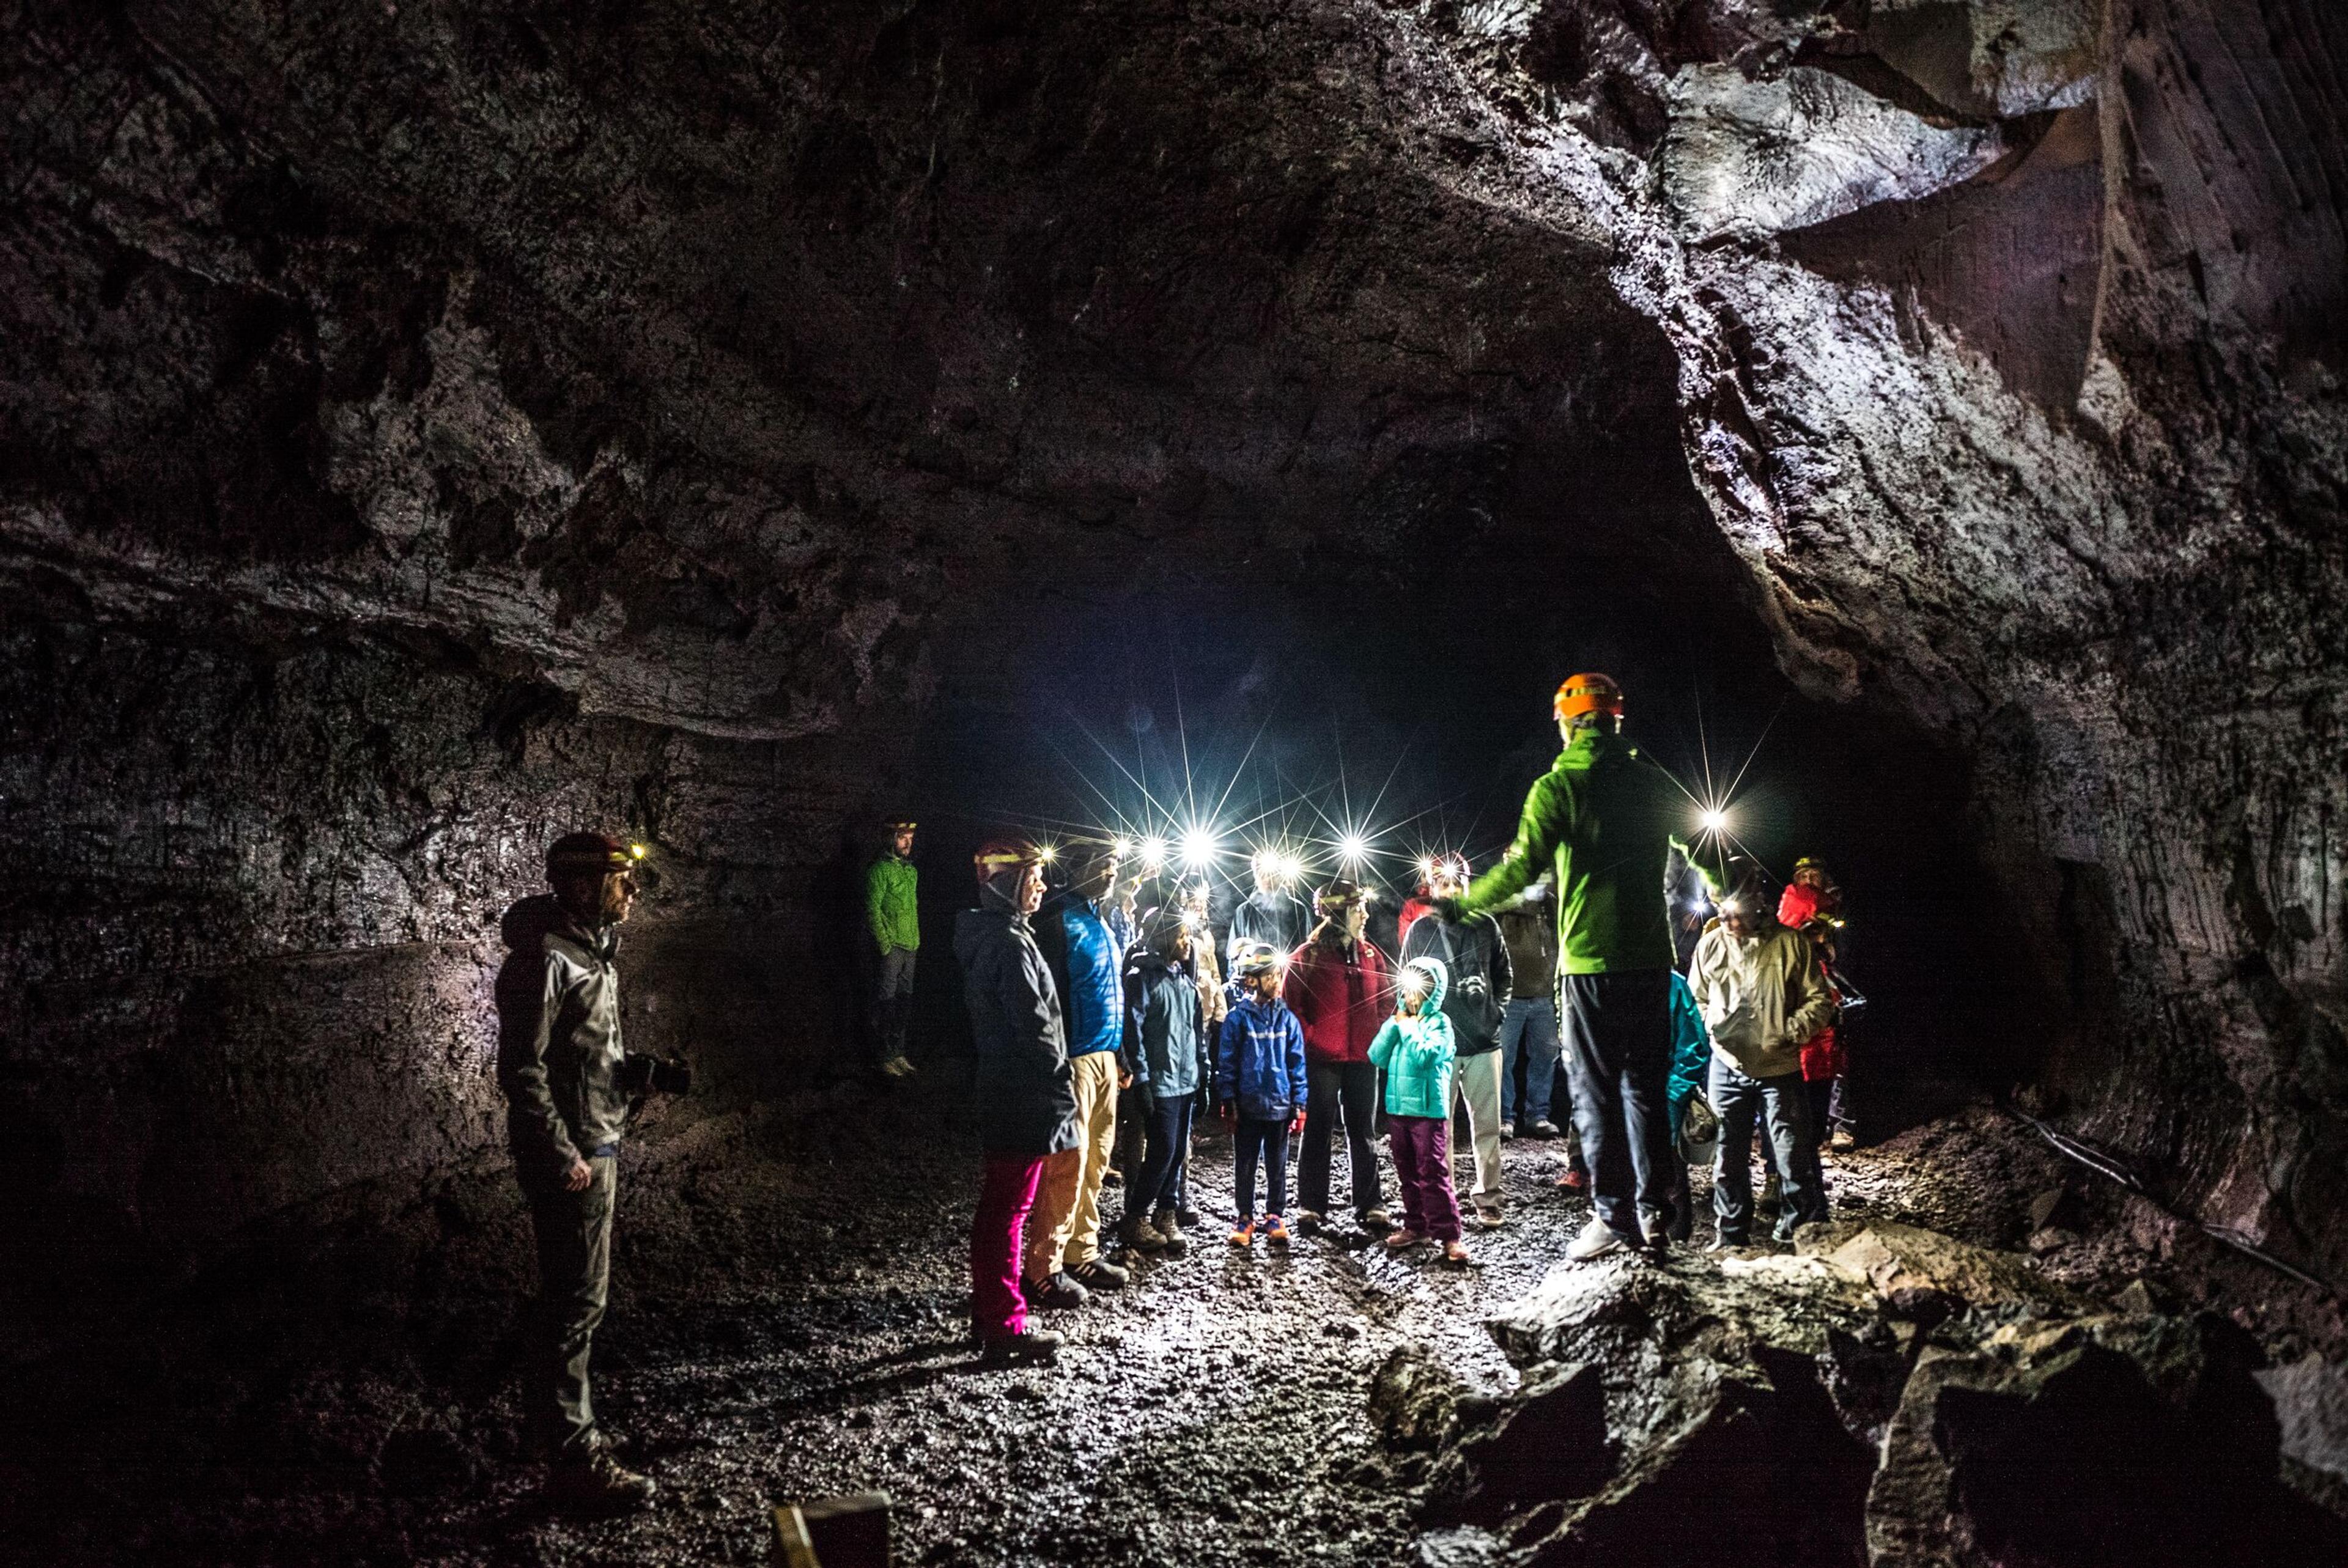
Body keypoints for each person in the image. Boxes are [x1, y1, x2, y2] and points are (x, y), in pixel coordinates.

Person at [1445, 672, 1722, 1261]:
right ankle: (1656, 1214)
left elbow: (1521, 870)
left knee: (1596, 1094)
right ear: (1616, 719)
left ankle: (1613, 1216)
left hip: (1591, 964)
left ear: (1568, 722)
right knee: (1646, 1089)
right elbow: (1706, 850)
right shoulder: (1653, 780)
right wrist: (1735, 896)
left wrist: (1464, 903)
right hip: (1651, 961)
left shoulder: (1559, 785)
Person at [495, 832, 684, 1509]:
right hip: (576, 1155)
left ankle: (546, 1429)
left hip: (596, 1136)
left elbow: (580, 1057)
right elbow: (523, 1068)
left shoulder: (590, 953)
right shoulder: (548, 959)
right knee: (577, 1303)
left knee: (574, 1298)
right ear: (579, 886)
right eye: (618, 879)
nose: (632, 891)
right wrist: (560, 1152)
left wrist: (640, 1075)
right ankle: (574, 1461)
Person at [956, 839, 1080, 1365]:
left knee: (1002, 1205)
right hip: (1022, 1093)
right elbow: (1035, 1027)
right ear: (1009, 883)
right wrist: (1061, 1083)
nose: (1043, 885)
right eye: (1033, 877)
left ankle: (989, 1311)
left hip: (1006, 1088)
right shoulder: (1009, 943)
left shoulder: (997, 937)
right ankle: (1005, 1324)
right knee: (1010, 1207)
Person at [1686, 873, 1837, 1247]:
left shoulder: (1790, 945)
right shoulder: (1710, 946)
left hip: (1779, 1067)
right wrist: (1712, 1023)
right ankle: (1732, 1234)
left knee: (1791, 1156)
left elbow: (1819, 1000)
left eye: (1736, 913)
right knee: (1727, 1157)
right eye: (1723, 914)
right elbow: (1697, 999)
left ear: (1758, 905)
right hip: (1727, 1065)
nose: (1730, 922)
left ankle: (1799, 1233)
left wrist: (1789, 1031)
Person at [1030, 843, 1132, 1295]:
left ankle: (1082, 1252)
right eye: (1102, 866)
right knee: (1067, 1163)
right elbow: (1047, 1002)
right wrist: (1054, 1060)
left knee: (1097, 1159)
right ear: (1077, 870)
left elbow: (1111, 993)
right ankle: (1044, 1267)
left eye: (1114, 866)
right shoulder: (1058, 924)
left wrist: (1121, 1053)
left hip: (1105, 1056)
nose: (1111, 872)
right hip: (1073, 1059)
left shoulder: (1101, 922)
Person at [1403, 855, 1512, 1230]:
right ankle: (1442, 1201)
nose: (1451, 890)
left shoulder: (1486, 925)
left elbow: (1504, 974)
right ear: (1431, 888)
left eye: (1457, 883)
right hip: (1440, 1047)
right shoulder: (1419, 931)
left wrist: (1495, 1014)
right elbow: (1406, 984)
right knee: (1439, 1128)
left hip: (1484, 1042)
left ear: (1466, 885)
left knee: (1488, 1127)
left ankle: (1489, 1198)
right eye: (1443, 884)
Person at [1283, 880, 1393, 1233]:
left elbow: (1387, 999)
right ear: (1337, 913)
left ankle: (1370, 1202)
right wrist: (1312, 1038)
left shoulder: (1372, 955)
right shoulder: (1309, 955)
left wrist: (1376, 1035)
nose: (1365, 914)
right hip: (1322, 1059)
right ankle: (1311, 1205)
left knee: (1363, 1130)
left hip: (1362, 1057)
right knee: (1317, 1128)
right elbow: (1293, 1005)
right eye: (1358, 907)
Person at [1368, 957, 1471, 1266]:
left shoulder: (1440, 1023)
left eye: (1420, 986)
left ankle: (1450, 1237)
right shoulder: (1400, 1020)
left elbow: (1426, 1056)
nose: (1411, 994)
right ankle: (1417, 1226)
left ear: (1432, 990)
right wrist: (1394, 1024)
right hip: (1398, 1109)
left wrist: (1408, 1027)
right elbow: (1376, 1056)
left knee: (1433, 1173)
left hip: (1427, 1110)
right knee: (1407, 1173)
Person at [1118, 907, 1208, 1256]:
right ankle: (1136, 1215)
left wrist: (1204, 1072)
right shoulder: (1142, 979)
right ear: (1164, 936)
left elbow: (1196, 1033)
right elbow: (1133, 1032)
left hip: (1185, 1081)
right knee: (1162, 1151)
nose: (1188, 943)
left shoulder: (1184, 983)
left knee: (1177, 1151)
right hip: (1160, 1082)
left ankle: (1166, 1213)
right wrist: (1141, 1079)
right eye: (1182, 936)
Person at [1215, 943, 1309, 1248]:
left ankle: (1275, 1215)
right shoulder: (1237, 1019)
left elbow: (1296, 1063)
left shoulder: (1288, 1020)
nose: (1277, 983)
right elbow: (1226, 1063)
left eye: (1279, 975)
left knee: (1277, 1164)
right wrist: (1228, 1101)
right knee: (1245, 1163)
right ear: (1252, 980)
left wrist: (1300, 1103)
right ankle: (1244, 1216)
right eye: (1270, 976)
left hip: (1280, 1106)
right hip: (1248, 1106)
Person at [1779, 857, 1858, 1150]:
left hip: (1833, 989)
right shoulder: (1789, 905)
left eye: (1815, 875)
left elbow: (1847, 948)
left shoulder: (1837, 906)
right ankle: (1811, 1122)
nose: (1809, 880)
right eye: (1804, 875)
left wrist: (1830, 941)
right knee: (1806, 1059)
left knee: (1837, 1060)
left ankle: (1842, 1125)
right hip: (1800, 991)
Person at [1493, 878, 1562, 1139]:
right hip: (1511, 995)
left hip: (1544, 993)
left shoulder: (1550, 905)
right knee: (1504, 1058)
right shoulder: (1503, 904)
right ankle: (1504, 1118)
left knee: (1545, 1058)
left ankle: (1538, 1115)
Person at [865, 819, 921, 1078]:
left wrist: (914, 941)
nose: (908, 843)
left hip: (911, 944)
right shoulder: (879, 870)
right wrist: (885, 944)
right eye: (902, 838)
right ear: (891, 840)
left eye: (910, 838)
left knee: (904, 1001)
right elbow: (873, 908)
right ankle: (882, 1056)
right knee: (887, 1001)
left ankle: (897, 1053)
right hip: (894, 947)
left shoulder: (910, 871)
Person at [1663, 970, 1713, 1242]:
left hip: (1665, 1098)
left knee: (1672, 1174)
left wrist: (1674, 1093)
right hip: (1627, 1098)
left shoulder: (1674, 985)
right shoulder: (1612, 978)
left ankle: (1676, 1242)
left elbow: (1693, 1047)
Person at [1228, 848, 1313, 963]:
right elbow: (1234, 954)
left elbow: (1305, 950)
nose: (1267, 878)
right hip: (1254, 976)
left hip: (1288, 974)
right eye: (1261, 873)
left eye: (1271, 874)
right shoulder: (1244, 911)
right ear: (1255, 875)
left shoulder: (1298, 909)